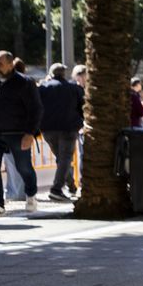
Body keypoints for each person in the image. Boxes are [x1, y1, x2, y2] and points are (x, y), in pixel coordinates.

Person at [0, 51, 41, 216]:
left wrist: (30, 133)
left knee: (24, 168)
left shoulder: (24, 82)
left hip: (17, 133)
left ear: (10, 64)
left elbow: (36, 110)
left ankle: (31, 195)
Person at [36, 63, 84, 202]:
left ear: (51, 74)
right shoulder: (74, 88)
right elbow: (82, 106)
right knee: (65, 158)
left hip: (48, 129)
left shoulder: (43, 88)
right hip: (69, 128)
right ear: (64, 74)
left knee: (62, 159)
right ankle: (57, 189)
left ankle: (71, 186)